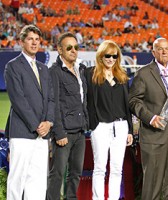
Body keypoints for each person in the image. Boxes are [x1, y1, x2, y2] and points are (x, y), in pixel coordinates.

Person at [128, 37, 168, 200]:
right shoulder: (143, 73)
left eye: (167, 48)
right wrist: (150, 118)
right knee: (152, 186)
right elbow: (133, 101)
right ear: (153, 52)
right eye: (160, 49)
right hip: (153, 136)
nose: (164, 52)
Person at [4, 24, 55, 200]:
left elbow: (51, 99)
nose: (34, 43)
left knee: (39, 181)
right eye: (30, 39)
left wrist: (48, 122)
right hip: (22, 133)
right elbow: (18, 100)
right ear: (21, 42)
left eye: (37, 39)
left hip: (42, 134)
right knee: (17, 180)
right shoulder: (13, 66)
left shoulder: (44, 68)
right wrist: (36, 125)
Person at [84, 40, 133, 200]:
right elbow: (88, 102)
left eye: (114, 56)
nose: (111, 59)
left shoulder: (123, 76)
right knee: (99, 167)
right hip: (101, 127)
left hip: (121, 126)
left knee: (117, 168)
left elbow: (127, 107)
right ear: (101, 55)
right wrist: (93, 124)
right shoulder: (91, 75)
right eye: (108, 55)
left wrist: (130, 130)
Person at [47, 32, 89, 200]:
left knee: (75, 173)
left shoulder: (81, 70)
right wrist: (59, 132)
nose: (73, 50)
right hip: (64, 133)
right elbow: (53, 103)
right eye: (69, 47)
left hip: (80, 131)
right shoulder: (54, 72)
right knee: (57, 174)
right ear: (59, 50)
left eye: (76, 47)